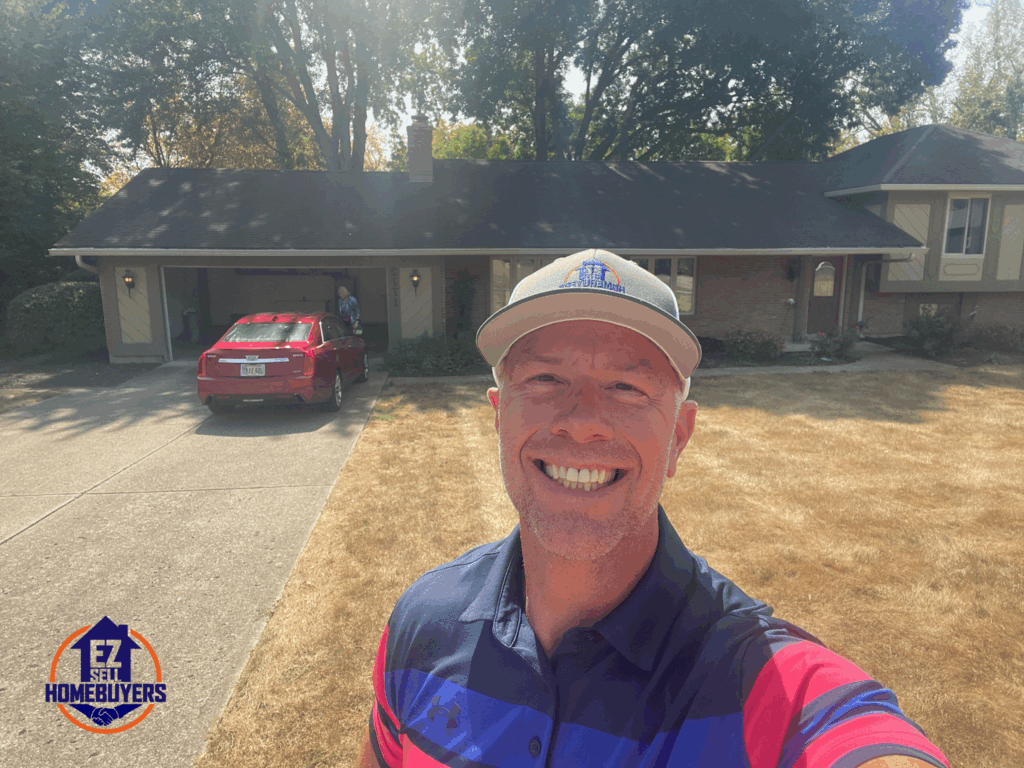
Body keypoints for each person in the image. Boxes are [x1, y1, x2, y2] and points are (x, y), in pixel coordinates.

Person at [358, 249, 949, 768]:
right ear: (498, 415)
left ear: (678, 437)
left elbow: (852, 734)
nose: (583, 421)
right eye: (544, 378)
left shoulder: (755, 678)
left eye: (627, 387)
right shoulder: (422, 626)